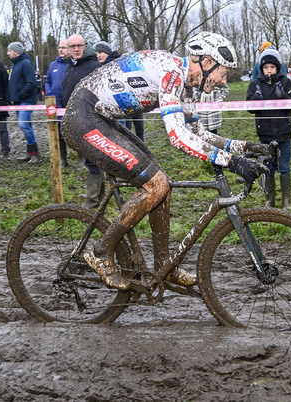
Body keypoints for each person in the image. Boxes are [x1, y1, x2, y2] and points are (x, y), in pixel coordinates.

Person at [61, 31, 269, 290]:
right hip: (83, 119)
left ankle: (163, 267)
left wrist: (246, 147)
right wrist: (233, 163)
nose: (222, 82)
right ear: (206, 63)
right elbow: (178, 138)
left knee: (163, 187)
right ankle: (101, 252)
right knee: (156, 184)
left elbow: (198, 133)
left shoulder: (186, 85)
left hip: (101, 119)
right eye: (223, 74)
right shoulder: (172, 74)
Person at [246, 46, 291, 210]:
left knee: (284, 166)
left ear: (278, 67)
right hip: (265, 133)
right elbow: (249, 108)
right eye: (266, 67)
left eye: (272, 67)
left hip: (284, 133)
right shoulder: (255, 84)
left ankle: (287, 202)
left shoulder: (286, 82)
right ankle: (270, 200)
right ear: (261, 68)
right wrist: (255, 100)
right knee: (268, 168)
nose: (269, 70)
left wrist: (285, 97)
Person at [61, 34, 102, 208]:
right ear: (68, 49)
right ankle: (98, 194)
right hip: (76, 118)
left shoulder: (94, 66)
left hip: (91, 118)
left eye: (80, 46)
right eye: (73, 46)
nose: (76, 49)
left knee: (93, 158)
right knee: (92, 158)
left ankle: (91, 201)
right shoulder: (70, 66)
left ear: (86, 46)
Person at [7, 42, 41, 164]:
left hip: (26, 100)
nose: (7, 53)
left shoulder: (25, 64)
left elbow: (31, 83)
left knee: (24, 125)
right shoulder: (14, 65)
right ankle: (31, 153)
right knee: (27, 126)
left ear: (17, 52)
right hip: (18, 101)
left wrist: (20, 95)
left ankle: (35, 154)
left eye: (9, 50)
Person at [44, 39, 71, 167]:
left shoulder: (73, 65)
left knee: (75, 131)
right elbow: (47, 80)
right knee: (58, 133)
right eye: (59, 47)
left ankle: (82, 158)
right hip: (55, 104)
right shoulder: (53, 65)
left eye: (64, 47)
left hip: (70, 104)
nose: (61, 50)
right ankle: (63, 158)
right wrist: (49, 92)